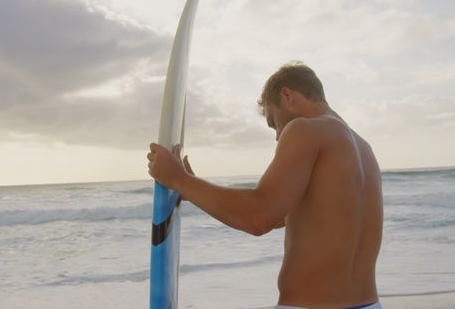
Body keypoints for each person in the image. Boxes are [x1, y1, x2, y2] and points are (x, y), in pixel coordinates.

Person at [147, 62, 383, 309]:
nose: (278, 135)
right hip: (368, 304)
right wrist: (192, 190)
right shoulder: (364, 149)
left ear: (287, 95)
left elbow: (259, 216)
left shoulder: (306, 129)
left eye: (273, 122)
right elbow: (291, 214)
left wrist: (177, 179)